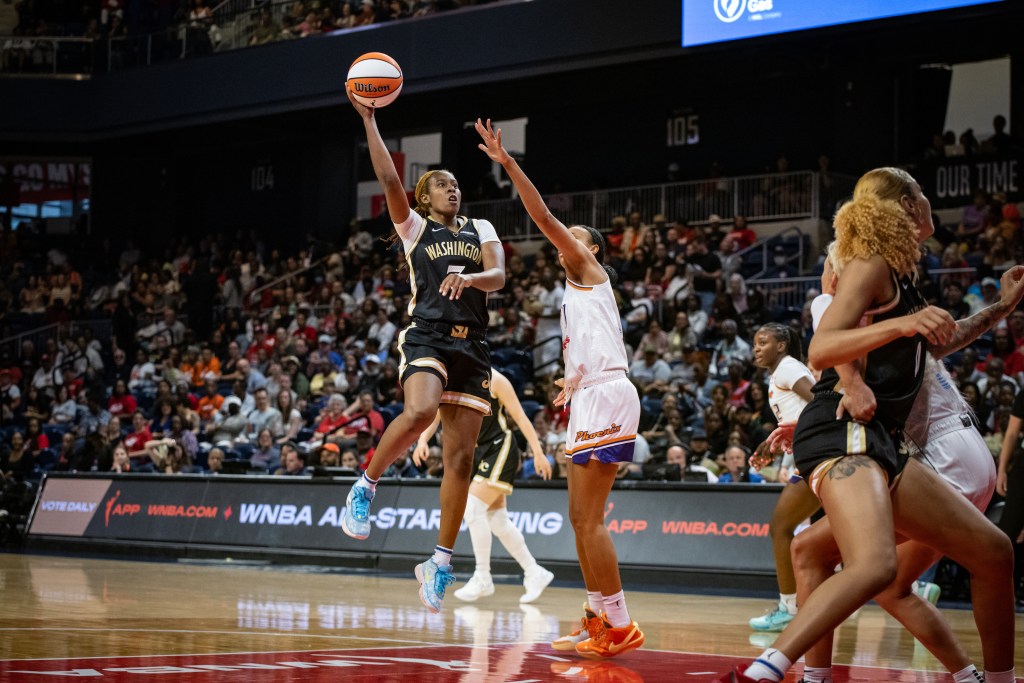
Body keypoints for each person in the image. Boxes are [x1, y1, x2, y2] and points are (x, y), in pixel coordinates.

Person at [716, 167, 1018, 683]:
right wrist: (898, 331)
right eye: (922, 194)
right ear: (904, 205)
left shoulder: (901, 279)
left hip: (880, 440)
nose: (928, 203)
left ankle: (992, 679)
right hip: (845, 429)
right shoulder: (869, 262)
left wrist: (1002, 307)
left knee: (993, 553)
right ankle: (766, 669)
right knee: (877, 568)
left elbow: (938, 342)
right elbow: (822, 346)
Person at [477, 118, 643, 658]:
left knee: (590, 519)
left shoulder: (589, 270)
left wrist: (507, 164)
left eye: (578, 237)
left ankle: (620, 622)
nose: (565, 240)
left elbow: (542, 214)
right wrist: (570, 384)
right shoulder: (574, 293)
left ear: (591, 250)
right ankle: (597, 616)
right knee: (578, 518)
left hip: (609, 396)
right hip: (590, 395)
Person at [340, 92, 505, 615]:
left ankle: (438, 562)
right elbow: (389, 180)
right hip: (428, 334)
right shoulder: (413, 228)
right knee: (419, 410)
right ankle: (365, 485)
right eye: (442, 184)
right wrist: (369, 121)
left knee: (459, 460)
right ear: (424, 196)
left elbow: (499, 277)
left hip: (473, 346)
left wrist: (470, 276)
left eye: (456, 184)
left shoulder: (481, 230)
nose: (453, 189)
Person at [413, 367, 555, 605]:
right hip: (478, 452)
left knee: (472, 509)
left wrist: (538, 453)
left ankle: (482, 576)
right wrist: (422, 440)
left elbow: (520, 417)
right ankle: (534, 572)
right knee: (497, 520)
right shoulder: (452, 377)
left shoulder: (496, 379)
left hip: (499, 447)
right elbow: (438, 412)